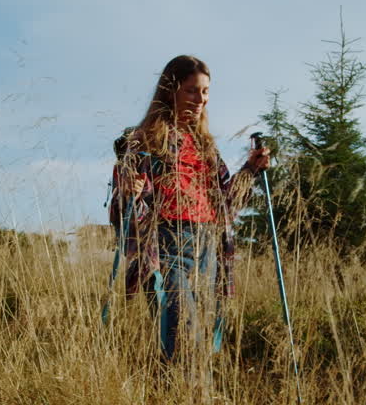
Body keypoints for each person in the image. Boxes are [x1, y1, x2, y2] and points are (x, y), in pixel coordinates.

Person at [109, 55, 270, 365]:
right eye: (192, 91)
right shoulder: (144, 139)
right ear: (171, 90)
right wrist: (133, 192)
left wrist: (251, 169)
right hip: (163, 244)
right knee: (184, 332)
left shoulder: (204, 144)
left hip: (207, 244)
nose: (201, 100)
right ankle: (187, 402)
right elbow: (123, 198)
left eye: (206, 92)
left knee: (202, 336)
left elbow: (226, 202)